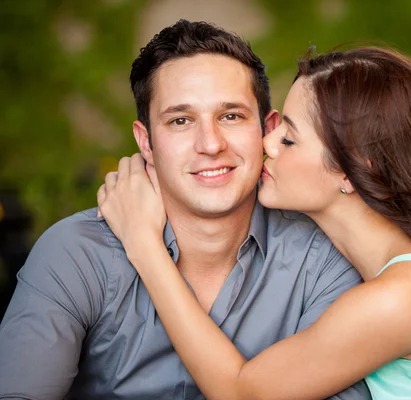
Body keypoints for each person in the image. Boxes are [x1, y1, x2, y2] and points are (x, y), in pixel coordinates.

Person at [97, 46, 411, 399]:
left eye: (288, 139)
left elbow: (240, 391)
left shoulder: (406, 294)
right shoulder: (401, 275)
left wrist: (143, 243)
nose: (264, 145)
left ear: (354, 169)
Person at [0, 20, 370, 399]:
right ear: (146, 142)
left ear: (267, 129)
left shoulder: (324, 259)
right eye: (180, 120)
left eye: (231, 116)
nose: (210, 144)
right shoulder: (77, 253)